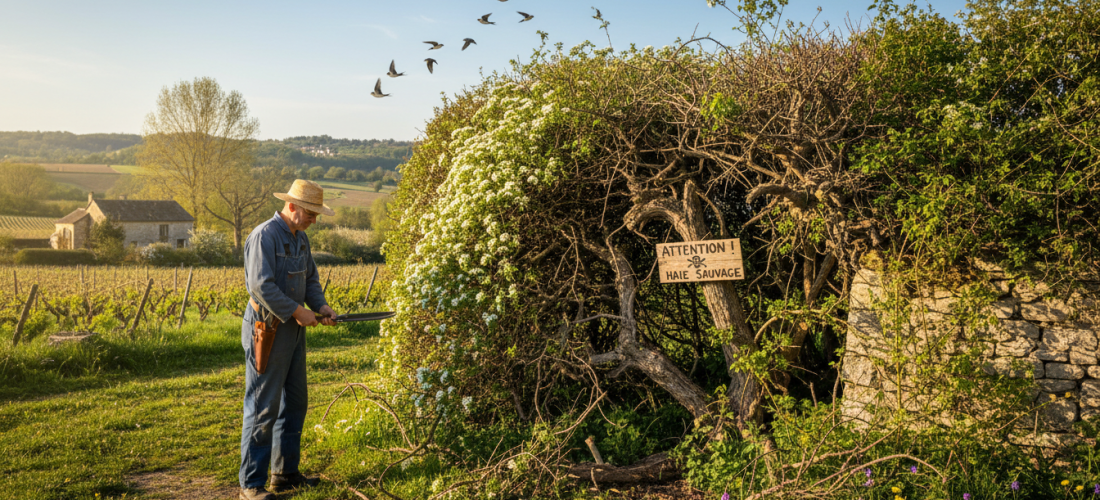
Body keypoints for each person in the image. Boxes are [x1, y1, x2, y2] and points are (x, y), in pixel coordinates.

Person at [238, 179, 337, 500]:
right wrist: (298, 311)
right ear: (292, 206)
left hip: (293, 331)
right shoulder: (264, 236)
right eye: (311, 213)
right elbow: (260, 287)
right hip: (266, 330)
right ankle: (251, 485)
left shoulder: (302, 239)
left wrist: (319, 305)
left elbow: (310, 279)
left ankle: (285, 474)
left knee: (295, 402)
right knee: (263, 406)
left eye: (317, 214)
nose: (314, 219)